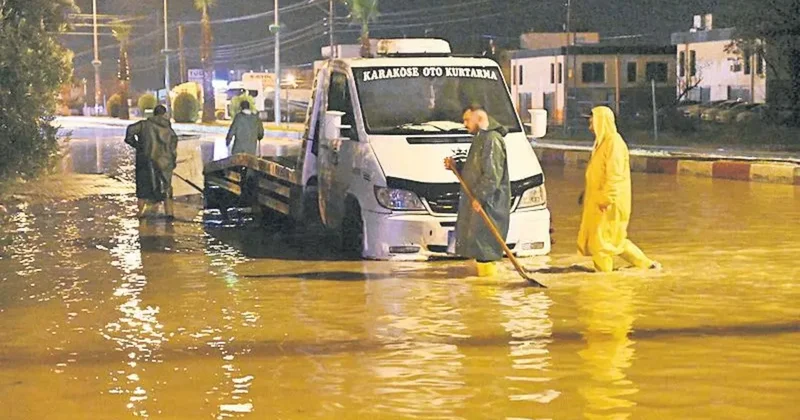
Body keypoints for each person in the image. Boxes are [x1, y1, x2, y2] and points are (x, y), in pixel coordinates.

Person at [577, 106, 660, 272]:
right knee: (616, 240)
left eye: (592, 119)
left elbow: (614, 176)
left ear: (601, 120)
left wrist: (606, 199)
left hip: (609, 203)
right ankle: (648, 266)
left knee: (600, 244)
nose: (589, 123)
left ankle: (605, 281)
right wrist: (587, 193)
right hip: (601, 200)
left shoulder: (614, 143)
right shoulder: (603, 143)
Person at [444, 108, 511, 277]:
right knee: (481, 249)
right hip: (481, 203)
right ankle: (483, 291)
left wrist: (480, 196)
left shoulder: (492, 140)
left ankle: (488, 292)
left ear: (479, 118)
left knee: (486, 251)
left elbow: (491, 175)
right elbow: (476, 169)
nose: (464, 124)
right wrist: (457, 166)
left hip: (488, 206)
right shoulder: (481, 139)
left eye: (467, 120)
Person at [124, 104, 178, 219]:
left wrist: (138, 146)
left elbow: (130, 131)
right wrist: (172, 161)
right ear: (164, 114)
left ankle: (141, 213)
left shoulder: (143, 125)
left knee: (143, 188)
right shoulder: (169, 130)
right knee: (166, 188)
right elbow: (173, 148)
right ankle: (169, 213)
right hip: (164, 163)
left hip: (145, 161)